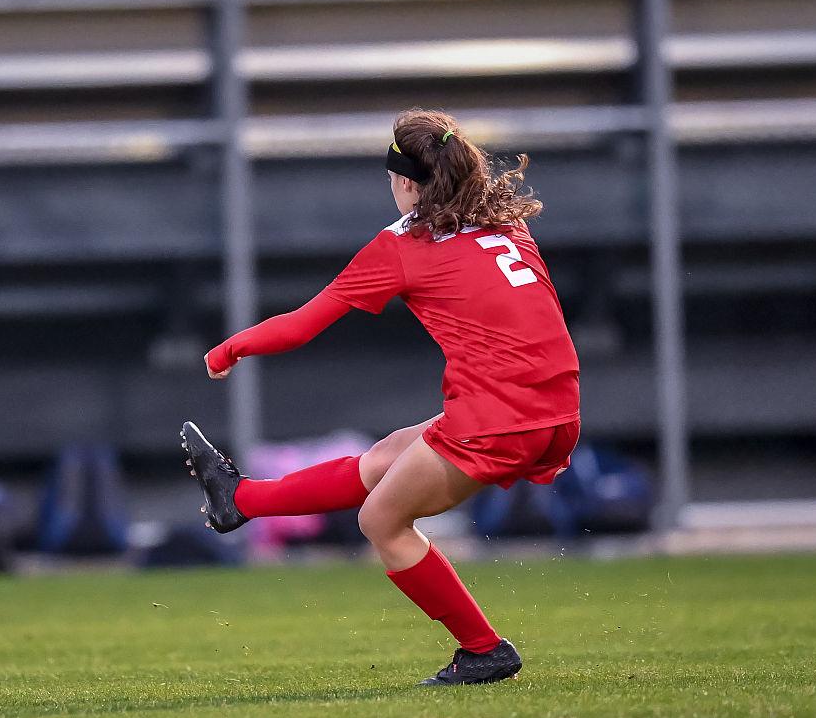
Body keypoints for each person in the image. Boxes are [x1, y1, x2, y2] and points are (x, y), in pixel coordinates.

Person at [181, 108, 581, 686]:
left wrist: (228, 349)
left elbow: (301, 324)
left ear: (410, 182)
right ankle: (240, 499)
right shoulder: (505, 225)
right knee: (389, 456)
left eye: (392, 178)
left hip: (500, 414)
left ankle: (483, 650)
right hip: (556, 406)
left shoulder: (403, 244)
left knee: (381, 521)